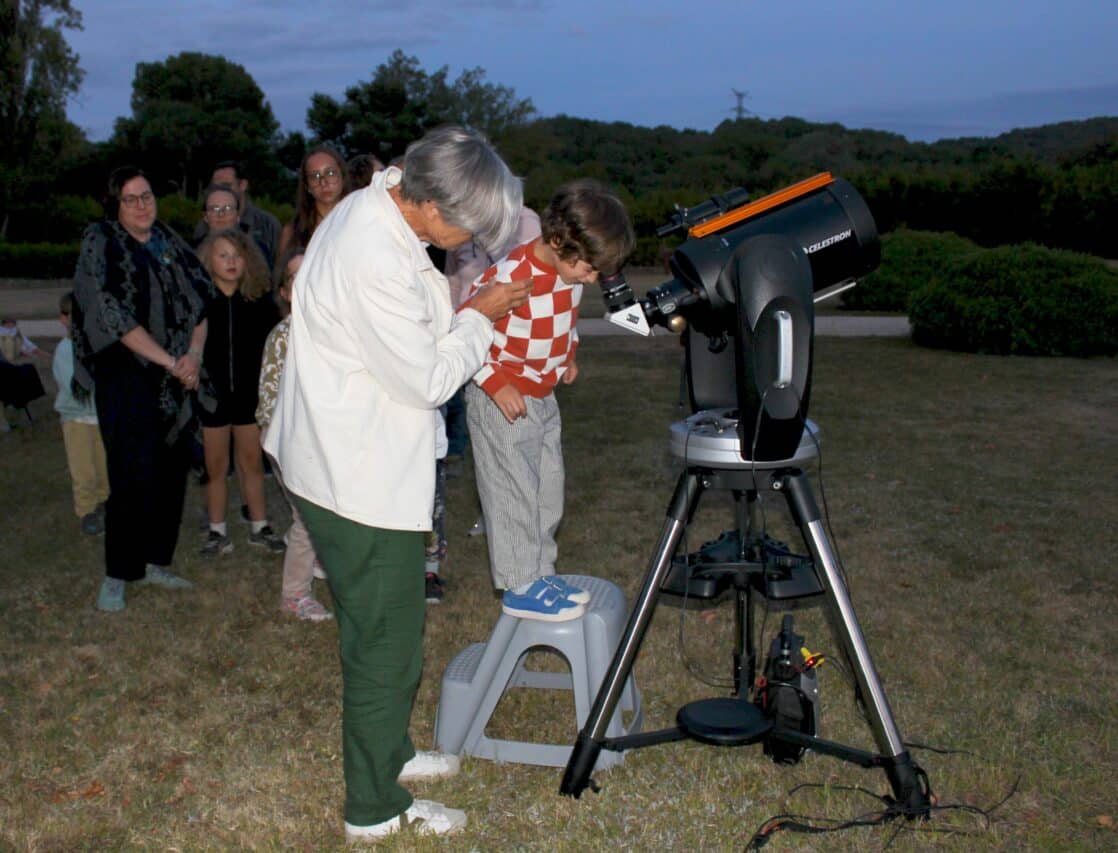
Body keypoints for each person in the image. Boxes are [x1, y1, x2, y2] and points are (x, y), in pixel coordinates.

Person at [264, 124, 531, 842]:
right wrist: (479, 316)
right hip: (355, 474)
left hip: (351, 456)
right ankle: (374, 809)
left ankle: (392, 752)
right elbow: (427, 377)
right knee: (386, 644)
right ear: (434, 204)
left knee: (386, 627)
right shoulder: (372, 249)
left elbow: (413, 325)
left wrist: (460, 308)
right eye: (468, 227)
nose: (470, 239)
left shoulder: (381, 202)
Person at [461, 179, 634, 621]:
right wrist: (494, 381)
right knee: (512, 489)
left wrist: (568, 355)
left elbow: (564, 323)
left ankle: (539, 571)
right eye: (590, 269)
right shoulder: (511, 278)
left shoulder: (567, 273)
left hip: (541, 395)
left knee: (546, 487)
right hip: (499, 397)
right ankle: (519, 583)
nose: (592, 279)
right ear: (558, 240)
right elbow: (464, 327)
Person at [71, 166, 212, 612]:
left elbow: (202, 297)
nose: (142, 205)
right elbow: (110, 314)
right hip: (127, 376)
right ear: (114, 204)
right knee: (131, 473)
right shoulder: (101, 241)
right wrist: (171, 361)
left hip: (175, 377)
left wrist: (193, 355)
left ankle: (155, 561)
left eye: (146, 195)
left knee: (169, 471)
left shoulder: (168, 240)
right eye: (130, 198)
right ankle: (119, 572)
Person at [196, 228, 283, 555]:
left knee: (251, 464)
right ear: (209, 261)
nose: (231, 262)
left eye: (237, 255)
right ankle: (217, 531)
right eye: (223, 256)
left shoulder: (259, 303)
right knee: (215, 467)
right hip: (212, 399)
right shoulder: (201, 303)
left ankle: (259, 526)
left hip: (249, 398)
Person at [256, 247, 331, 620]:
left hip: (325, 442)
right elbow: (270, 403)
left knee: (326, 512)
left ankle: (318, 557)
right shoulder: (283, 338)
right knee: (308, 517)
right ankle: (294, 593)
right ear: (285, 292)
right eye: (295, 278)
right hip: (289, 442)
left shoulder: (336, 333)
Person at [52, 292, 109, 535]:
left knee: (105, 465)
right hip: (77, 420)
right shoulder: (65, 351)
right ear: (63, 320)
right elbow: (76, 387)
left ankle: (105, 504)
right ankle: (87, 511)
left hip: (102, 420)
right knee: (83, 469)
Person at [277, 144, 349, 257]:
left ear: (342, 177)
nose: (323, 182)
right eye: (315, 176)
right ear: (307, 186)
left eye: (330, 173)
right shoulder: (292, 233)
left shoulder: (361, 219)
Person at [195, 183, 274, 268]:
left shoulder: (259, 251)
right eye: (214, 209)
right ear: (205, 217)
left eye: (228, 208)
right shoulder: (192, 251)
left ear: (238, 216)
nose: (221, 214)